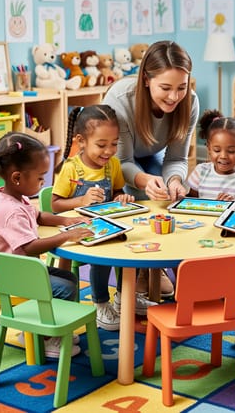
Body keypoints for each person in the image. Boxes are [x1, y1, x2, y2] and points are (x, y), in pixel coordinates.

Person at [0, 132, 94, 358]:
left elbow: (39, 216)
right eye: (40, 177)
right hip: (10, 278)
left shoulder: (17, 198)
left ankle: (45, 328)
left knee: (70, 278)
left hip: (22, 270)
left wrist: (66, 221)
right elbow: (30, 247)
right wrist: (67, 236)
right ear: (17, 178)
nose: (44, 182)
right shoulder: (12, 211)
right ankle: (45, 337)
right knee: (66, 288)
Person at [102, 40, 199, 298]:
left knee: (170, 197)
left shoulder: (190, 102)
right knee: (138, 195)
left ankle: (164, 262)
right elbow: (122, 162)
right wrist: (146, 182)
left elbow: (177, 158)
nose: (174, 97)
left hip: (150, 154)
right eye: (165, 88)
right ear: (146, 79)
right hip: (113, 158)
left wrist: (175, 181)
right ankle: (144, 268)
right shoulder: (120, 100)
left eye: (181, 87)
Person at [50, 105, 157, 327]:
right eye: (101, 145)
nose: (108, 151)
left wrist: (121, 197)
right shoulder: (70, 168)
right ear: (81, 141)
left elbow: (116, 192)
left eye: (114, 144)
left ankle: (125, 296)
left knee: (135, 246)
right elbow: (55, 205)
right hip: (80, 230)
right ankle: (100, 303)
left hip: (108, 225)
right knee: (103, 254)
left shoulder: (113, 165)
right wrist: (81, 200)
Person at [186, 108, 235, 203]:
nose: (223, 156)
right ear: (209, 148)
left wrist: (233, 206)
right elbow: (190, 203)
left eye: (231, 151)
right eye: (217, 150)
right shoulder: (200, 172)